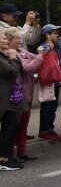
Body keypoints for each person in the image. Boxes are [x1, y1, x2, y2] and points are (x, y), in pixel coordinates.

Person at [9, 27, 43, 161]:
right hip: (16, 95)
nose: (20, 40)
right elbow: (27, 67)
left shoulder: (21, 51)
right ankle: (9, 154)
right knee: (13, 126)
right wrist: (40, 56)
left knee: (23, 125)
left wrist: (41, 55)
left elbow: (35, 61)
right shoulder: (9, 54)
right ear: (9, 40)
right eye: (17, 38)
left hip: (27, 93)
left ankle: (22, 152)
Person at [0, 30, 26, 171]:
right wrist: (14, 58)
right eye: (3, 38)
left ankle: (7, 156)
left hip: (9, 96)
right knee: (11, 126)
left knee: (10, 126)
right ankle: (4, 159)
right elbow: (10, 71)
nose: (6, 40)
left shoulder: (4, 54)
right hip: (4, 98)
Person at [37, 24, 61, 142]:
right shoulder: (43, 48)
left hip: (54, 80)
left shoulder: (54, 48)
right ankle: (44, 130)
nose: (57, 35)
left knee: (53, 106)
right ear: (47, 35)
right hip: (48, 81)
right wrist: (48, 49)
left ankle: (50, 128)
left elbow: (57, 65)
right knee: (47, 107)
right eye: (55, 33)